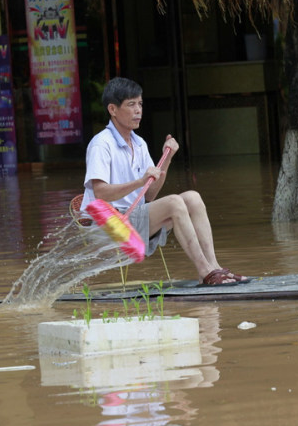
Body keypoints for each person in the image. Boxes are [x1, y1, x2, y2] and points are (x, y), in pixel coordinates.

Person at [81, 77, 250, 286]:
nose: (138, 110)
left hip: (133, 218)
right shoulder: (101, 144)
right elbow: (101, 194)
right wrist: (138, 181)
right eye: (131, 104)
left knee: (192, 198)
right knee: (173, 203)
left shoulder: (139, 143)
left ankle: (213, 268)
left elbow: (149, 194)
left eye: (140, 104)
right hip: (109, 226)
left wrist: (167, 158)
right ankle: (206, 272)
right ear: (113, 110)